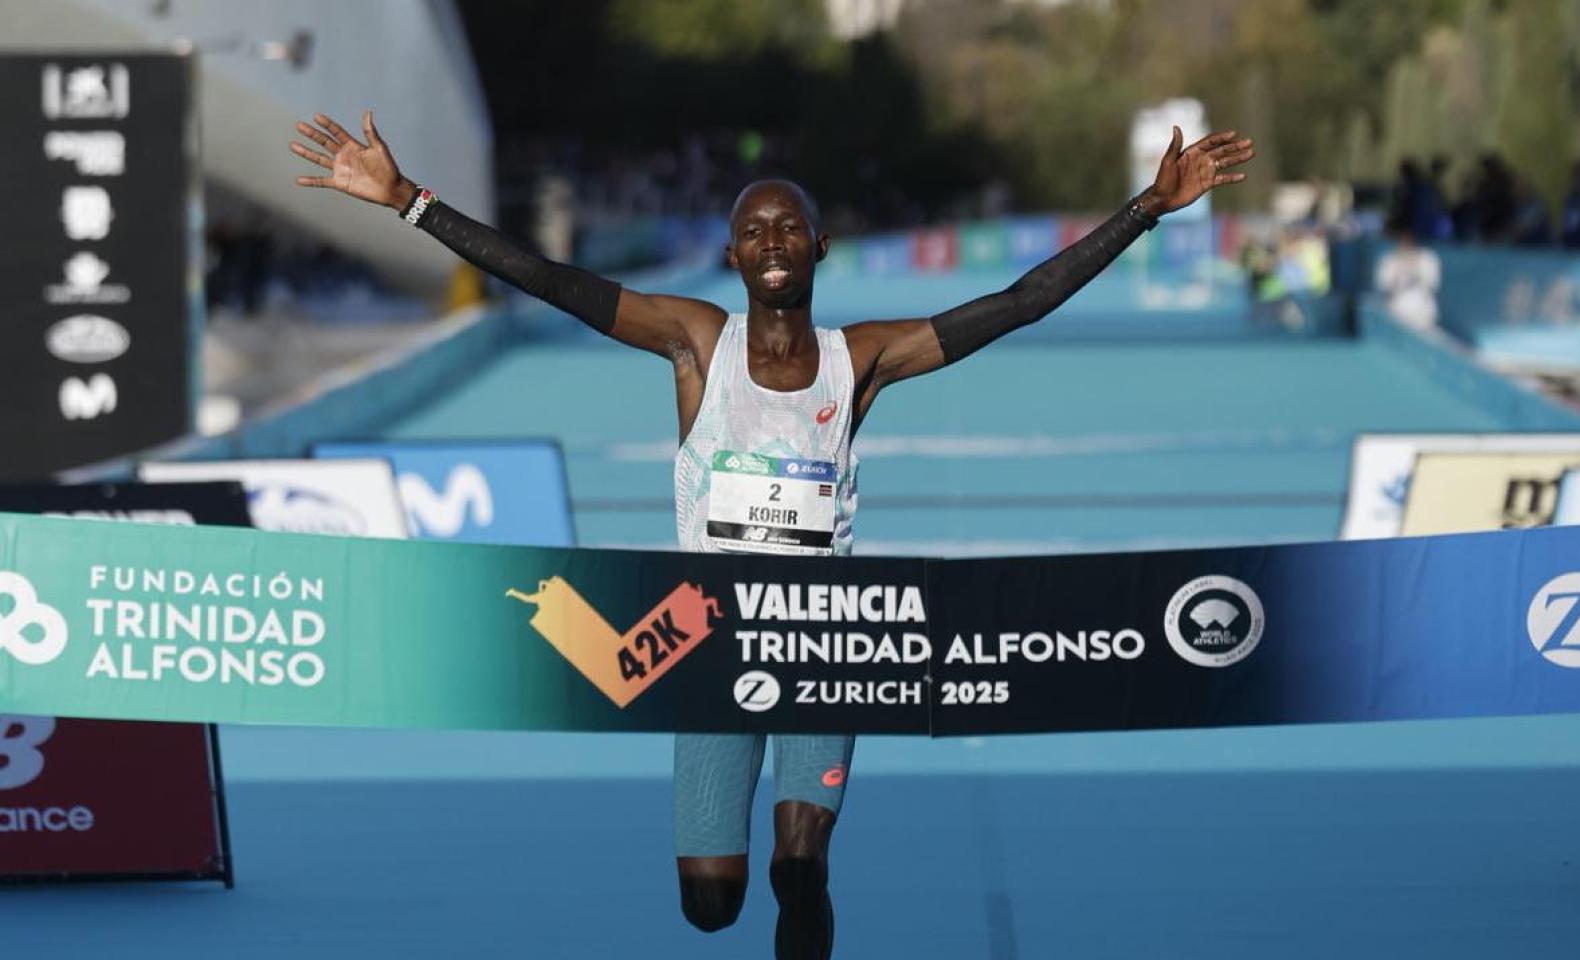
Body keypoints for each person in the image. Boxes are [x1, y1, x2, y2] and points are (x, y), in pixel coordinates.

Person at [289, 109, 1253, 959]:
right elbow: (553, 280)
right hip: (703, 635)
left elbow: (1016, 304)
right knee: (711, 904)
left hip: (823, 629)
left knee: (801, 862)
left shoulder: (861, 360)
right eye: (752, 231)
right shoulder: (696, 343)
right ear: (733, 258)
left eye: (789, 225)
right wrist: (409, 199)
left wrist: (1144, 209)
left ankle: (809, 899)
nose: (772, 240)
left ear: (821, 246)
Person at [1375, 222, 1442, 330]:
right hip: (1397, 308)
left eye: (1409, 238)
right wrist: (1398, 273)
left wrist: (1415, 269)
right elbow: (1383, 286)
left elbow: (1433, 284)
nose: (1405, 242)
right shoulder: (1389, 260)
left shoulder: (1428, 258)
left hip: (1422, 310)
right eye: (1402, 238)